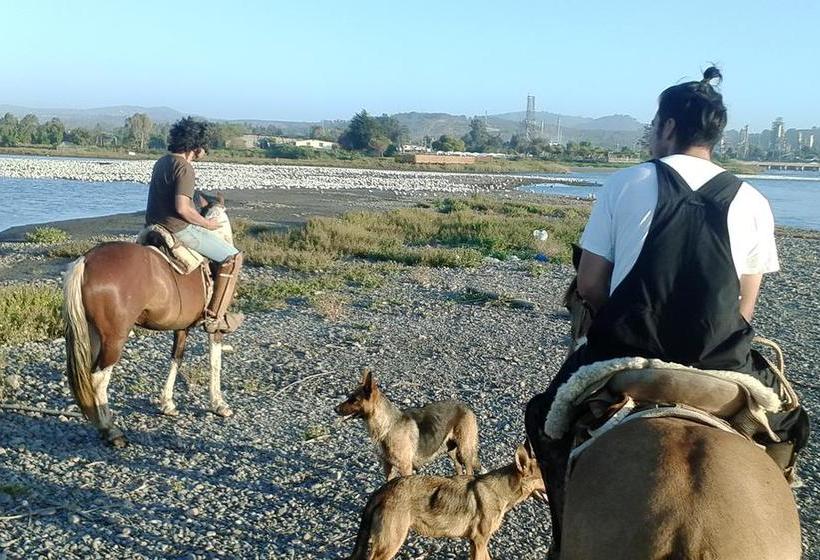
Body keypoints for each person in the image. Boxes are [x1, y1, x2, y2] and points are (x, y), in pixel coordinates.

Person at [524, 67, 809, 557]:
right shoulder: (753, 200)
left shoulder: (625, 183)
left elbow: (589, 284)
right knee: (789, 423)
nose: (653, 134)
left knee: (544, 417)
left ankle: (562, 536)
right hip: (721, 359)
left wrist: (619, 314)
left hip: (625, 351)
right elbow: (746, 305)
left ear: (669, 126)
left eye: (655, 124)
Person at [145, 117, 245, 334]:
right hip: (177, 228)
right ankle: (216, 317)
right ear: (195, 147)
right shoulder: (185, 168)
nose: (205, 152)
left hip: (152, 225)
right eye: (204, 147)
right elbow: (182, 208)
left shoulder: (161, 162)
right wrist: (207, 224)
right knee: (233, 257)